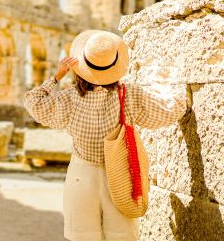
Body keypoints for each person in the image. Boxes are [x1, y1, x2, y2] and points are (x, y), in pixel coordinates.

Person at [24, 30, 188, 241]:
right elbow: (169, 110)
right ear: (115, 65)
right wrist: (173, 82)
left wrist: (57, 76)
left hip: (81, 174)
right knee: (122, 235)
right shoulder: (130, 95)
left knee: (83, 236)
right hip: (120, 174)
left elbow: (34, 102)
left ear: (81, 66)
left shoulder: (69, 99)